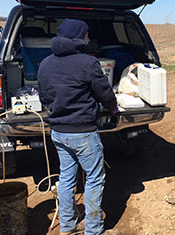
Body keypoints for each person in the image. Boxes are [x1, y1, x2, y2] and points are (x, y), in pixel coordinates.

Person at [38, 19, 118, 235]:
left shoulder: (45, 63)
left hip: (58, 132)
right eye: (86, 35)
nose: (89, 38)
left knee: (66, 178)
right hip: (82, 132)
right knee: (94, 178)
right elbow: (104, 92)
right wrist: (113, 109)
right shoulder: (88, 62)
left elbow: (44, 97)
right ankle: (94, 230)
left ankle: (68, 227)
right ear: (78, 38)